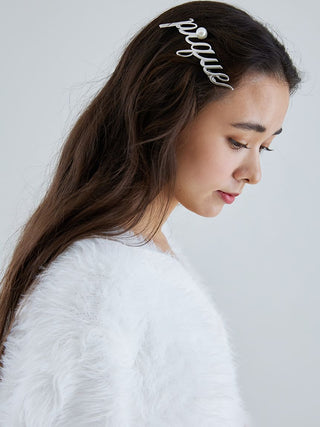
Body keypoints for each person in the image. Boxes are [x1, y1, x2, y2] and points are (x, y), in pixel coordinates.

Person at [0, 1, 301, 425]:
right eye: (238, 141)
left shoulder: (144, 259)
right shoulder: (100, 285)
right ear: (166, 111)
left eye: (264, 146)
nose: (253, 173)